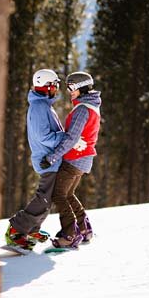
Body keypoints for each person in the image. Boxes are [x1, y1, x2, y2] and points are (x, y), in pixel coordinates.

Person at [4, 69, 69, 251]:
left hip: (50, 159)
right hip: (47, 159)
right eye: (55, 85)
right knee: (44, 199)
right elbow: (44, 136)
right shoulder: (40, 107)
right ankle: (16, 230)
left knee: (47, 199)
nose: (56, 89)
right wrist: (65, 137)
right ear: (47, 86)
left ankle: (32, 229)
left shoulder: (43, 105)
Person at [40, 71, 101, 249]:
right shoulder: (90, 105)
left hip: (75, 159)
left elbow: (71, 138)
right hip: (83, 159)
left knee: (58, 195)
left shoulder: (83, 109)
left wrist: (52, 157)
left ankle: (70, 234)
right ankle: (84, 229)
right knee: (67, 194)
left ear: (80, 88)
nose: (69, 91)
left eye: (71, 87)